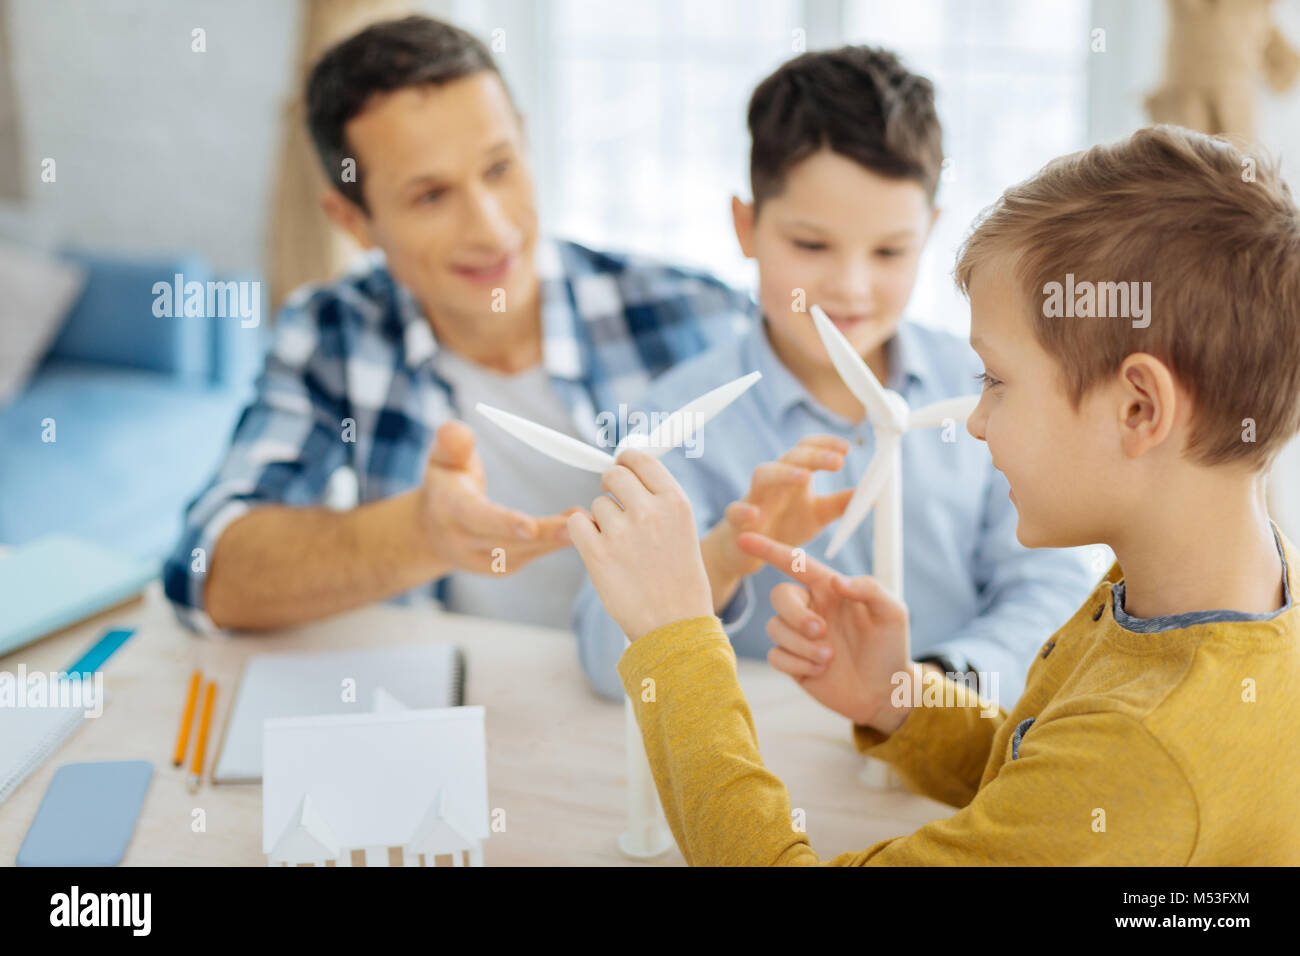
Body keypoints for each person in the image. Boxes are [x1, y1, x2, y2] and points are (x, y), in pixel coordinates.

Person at [567, 125, 1300, 864]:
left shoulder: (1147, 749)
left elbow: (1095, 775)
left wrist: (678, 641)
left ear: (1139, 408)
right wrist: (904, 701)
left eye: (997, 382)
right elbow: (1042, 773)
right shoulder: (1224, 586)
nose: (975, 422)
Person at [162, 15, 750, 632]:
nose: (492, 229)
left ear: (524, 139)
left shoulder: (692, 313)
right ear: (353, 221)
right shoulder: (334, 332)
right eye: (430, 196)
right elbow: (202, 571)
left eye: (499, 168)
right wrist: (418, 536)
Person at [574, 47, 1094, 706]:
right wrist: (728, 553)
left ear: (929, 234)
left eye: (889, 251)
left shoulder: (991, 388)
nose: (850, 287)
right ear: (746, 226)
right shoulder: (673, 422)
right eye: (811, 246)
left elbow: (1053, 588)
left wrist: (923, 695)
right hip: (764, 767)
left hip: (958, 751)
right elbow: (603, 656)